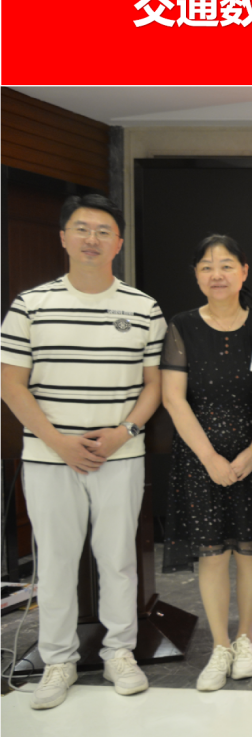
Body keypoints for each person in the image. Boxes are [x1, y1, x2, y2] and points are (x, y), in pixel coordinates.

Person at [0, 194, 165, 710]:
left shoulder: (143, 308)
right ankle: (58, 660)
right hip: (51, 457)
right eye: (82, 228)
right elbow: (11, 383)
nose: (92, 239)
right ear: (64, 238)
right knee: (54, 562)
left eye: (103, 231)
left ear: (118, 243)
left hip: (120, 455)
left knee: (118, 559)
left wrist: (123, 432)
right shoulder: (30, 304)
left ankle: (120, 652)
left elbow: (154, 386)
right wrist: (58, 443)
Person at [161, 235, 252, 692]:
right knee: (212, 554)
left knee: (250, 551)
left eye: (227, 265)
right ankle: (219, 645)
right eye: (207, 266)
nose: (217, 274)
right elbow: (174, 398)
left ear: (244, 271)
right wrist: (210, 458)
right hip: (200, 459)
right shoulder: (183, 325)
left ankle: (245, 638)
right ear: (196, 275)